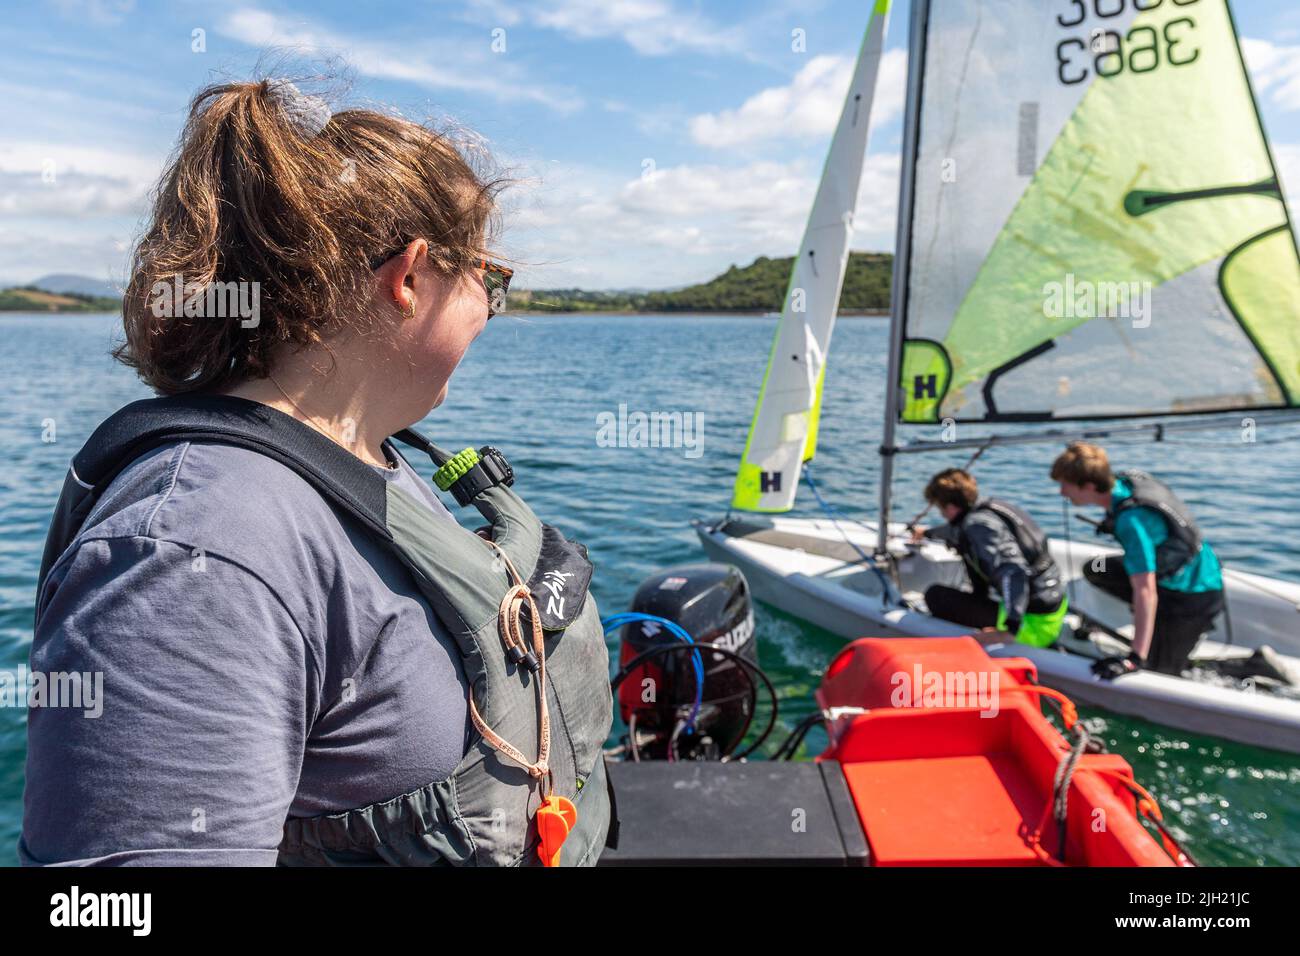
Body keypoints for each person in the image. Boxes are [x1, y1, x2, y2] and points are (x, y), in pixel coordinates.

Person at [23, 78, 614, 866]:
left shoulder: (362, 462)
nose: (491, 312)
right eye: (489, 282)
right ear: (410, 279)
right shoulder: (195, 554)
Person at [1050, 441, 1224, 678]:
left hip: (1192, 597)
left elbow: (1145, 591)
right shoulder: (1127, 484)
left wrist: (1134, 658)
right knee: (1097, 568)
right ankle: (1141, 621)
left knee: (1159, 673)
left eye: (1065, 485)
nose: (1062, 493)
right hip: (1189, 570)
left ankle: (1254, 665)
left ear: (1088, 486)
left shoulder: (1131, 522)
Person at [915, 468, 1067, 648]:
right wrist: (927, 533)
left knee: (936, 596)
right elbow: (958, 532)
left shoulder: (976, 526)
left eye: (941, 509)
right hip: (1051, 607)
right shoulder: (991, 508)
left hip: (1031, 624)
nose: (942, 514)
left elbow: (1014, 572)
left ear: (949, 507)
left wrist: (1010, 629)